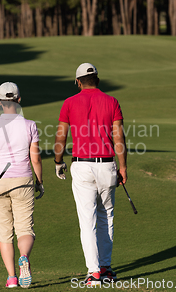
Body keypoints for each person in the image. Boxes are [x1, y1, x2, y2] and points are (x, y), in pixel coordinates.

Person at [53, 63, 127, 286]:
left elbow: (61, 137)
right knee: (106, 217)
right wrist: (123, 167)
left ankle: (94, 272)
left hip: (82, 166)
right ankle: (106, 268)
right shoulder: (112, 102)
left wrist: (58, 162)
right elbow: (119, 139)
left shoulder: (69, 103)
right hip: (107, 165)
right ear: (98, 79)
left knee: (88, 221)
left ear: (78, 82)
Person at [0, 82, 44, 289]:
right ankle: (24, 257)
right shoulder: (30, 125)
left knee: (4, 233)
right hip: (23, 182)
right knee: (25, 229)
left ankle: (12, 278)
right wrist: (40, 182)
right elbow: (35, 158)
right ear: (19, 99)